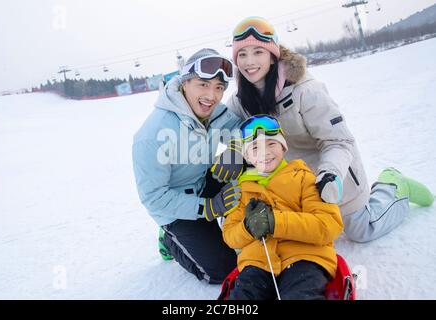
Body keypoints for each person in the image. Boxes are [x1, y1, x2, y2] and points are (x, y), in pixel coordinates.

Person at [213, 16, 434, 243]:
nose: (249, 61)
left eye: (258, 52)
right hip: (291, 184)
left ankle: (394, 184)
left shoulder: (305, 91)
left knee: (362, 231)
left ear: (272, 55)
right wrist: (233, 151)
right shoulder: (240, 101)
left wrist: (330, 174)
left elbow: (339, 141)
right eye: (242, 54)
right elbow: (222, 130)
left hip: (329, 174)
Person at [132, 48, 243, 284]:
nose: (211, 96)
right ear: (185, 82)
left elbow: (238, 129)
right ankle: (171, 241)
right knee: (223, 272)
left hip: (203, 183)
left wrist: (235, 149)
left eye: (219, 88)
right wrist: (208, 207)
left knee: (249, 163)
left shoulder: (214, 113)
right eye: (203, 84)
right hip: (176, 208)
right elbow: (154, 197)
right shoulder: (153, 134)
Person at [222, 115, 343, 300]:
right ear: (248, 156)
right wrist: (248, 227)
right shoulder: (241, 191)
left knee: (299, 295)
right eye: (255, 148)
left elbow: (328, 225)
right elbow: (230, 236)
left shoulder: (303, 178)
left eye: (271, 144)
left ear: (283, 146)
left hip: (304, 257)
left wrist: (275, 221)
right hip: (258, 262)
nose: (265, 153)